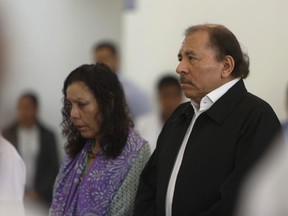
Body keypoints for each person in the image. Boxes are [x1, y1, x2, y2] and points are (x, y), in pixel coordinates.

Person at [133, 24, 282, 216]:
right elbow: (149, 185)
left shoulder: (257, 117)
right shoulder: (180, 114)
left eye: (192, 58)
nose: (180, 68)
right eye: (180, 58)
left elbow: (242, 201)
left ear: (226, 66)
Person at [49, 63, 150, 216]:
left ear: (108, 103)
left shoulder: (135, 153)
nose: (74, 114)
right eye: (70, 105)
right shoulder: (77, 149)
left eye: (82, 104)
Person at [2, 92, 60, 212]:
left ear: (36, 109)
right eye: (20, 107)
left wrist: (38, 191)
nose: (23, 111)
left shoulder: (48, 135)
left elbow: (53, 167)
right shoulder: (7, 134)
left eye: (27, 107)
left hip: (41, 196)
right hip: (13, 195)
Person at [93, 41, 151, 119]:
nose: (101, 64)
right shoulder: (91, 89)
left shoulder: (133, 92)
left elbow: (146, 123)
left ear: (116, 60)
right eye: (98, 60)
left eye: (105, 59)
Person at [135, 74, 183, 152]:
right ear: (158, 96)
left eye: (174, 96)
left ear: (181, 97)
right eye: (166, 95)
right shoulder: (142, 124)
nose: (170, 101)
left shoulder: (188, 125)